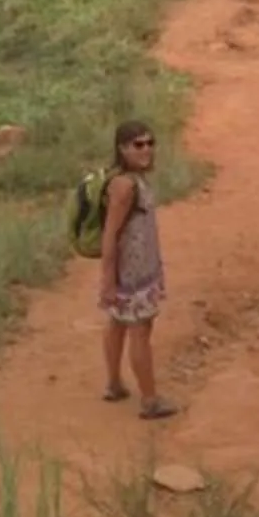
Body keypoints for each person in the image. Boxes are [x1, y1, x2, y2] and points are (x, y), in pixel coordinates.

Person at [98, 118, 176, 417]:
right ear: (122, 148)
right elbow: (110, 234)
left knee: (117, 323)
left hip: (130, 272)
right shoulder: (125, 186)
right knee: (140, 329)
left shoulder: (126, 179)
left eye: (150, 143)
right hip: (132, 276)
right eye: (138, 145)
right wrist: (107, 279)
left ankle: (114, 384)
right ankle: (150, 400)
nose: (146, 149)